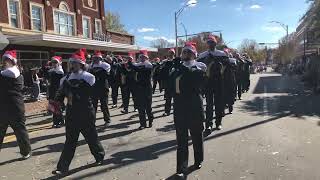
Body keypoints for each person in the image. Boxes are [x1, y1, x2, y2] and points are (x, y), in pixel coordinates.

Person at [52, 49, 105, 175]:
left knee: (91, 138)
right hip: (71, 114)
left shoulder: (89, 77)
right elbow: (60, 96)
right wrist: (55, 105)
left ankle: (99, 156)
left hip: (86, 112)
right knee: (70, 141)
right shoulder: (65, 79)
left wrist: (73, 87)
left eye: (75, 63)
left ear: (81, 64)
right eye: (72, 63)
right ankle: (62, 167)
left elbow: (89, 93)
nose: (73, 65)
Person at [169, 42, 206, 178]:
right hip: (180, 108)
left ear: (194, 54)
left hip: (195, 107)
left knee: (196, 137)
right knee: (181, 140)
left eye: (189, 52)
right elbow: (170, 86)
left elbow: (196, 81)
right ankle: (181, 168)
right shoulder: (176, 69)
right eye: (184, 52)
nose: (186, 54)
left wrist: (181, 69)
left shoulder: (199, 67)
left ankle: (198, 160)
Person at [0, 50, 32, 160]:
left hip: (15, 109)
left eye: (7, 60)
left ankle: (25, 152)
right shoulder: (5, 75)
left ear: (12, 62)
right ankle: (26, 151)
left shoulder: (15, 75)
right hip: (4, 109)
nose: (4, 62)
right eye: (3, 60)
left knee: (20, 132)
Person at [198, 35, 228, 132]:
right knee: (209, 104)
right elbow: (198, 67)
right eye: (209, 42)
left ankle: (218, 123)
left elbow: (226, 65)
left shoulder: (221, 54)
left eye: (212, 42)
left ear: (216, 43)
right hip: (208, 82)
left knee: (218, 104)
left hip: (219, 81)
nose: (210, 44)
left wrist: (217, 61)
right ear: (207, 44)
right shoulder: (203, 55)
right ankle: (208, 124)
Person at [129, 50, 154, 129]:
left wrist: (132, 65)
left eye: (144, 57)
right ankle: (142, 124)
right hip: (139, 88)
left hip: (147, 88)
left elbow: (141, 70)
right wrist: (130, 64)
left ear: (146, 58)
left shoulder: (149, 65)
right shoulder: (137, 65)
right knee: (140, 107)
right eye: (141, 57)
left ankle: (150, 120)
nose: (142, 58)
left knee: (148, 107)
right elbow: (131, 69)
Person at [89, 51, 111, 127]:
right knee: (93, 106)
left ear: (100, 58)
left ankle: (107, 120)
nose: (95, 59)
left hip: (103, 88)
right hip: (94, 88)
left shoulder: (105, 65)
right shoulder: (91, 66)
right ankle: (92, 121)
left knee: (104, 105)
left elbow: (107, 75)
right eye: (94, 58)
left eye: (97, 58)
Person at [48, 56, 65, 128]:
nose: (54, 64)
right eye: (52, 62)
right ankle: (55, 122)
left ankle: (60, 121)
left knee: (57, 107)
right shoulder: (51, 71)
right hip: (52, 90)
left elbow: (61, 83)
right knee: (53, 107)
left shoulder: (60, 72)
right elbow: (50, 83)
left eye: (55, 62)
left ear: (58, 63)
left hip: (58, 91)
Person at [160, 48, 176, 116]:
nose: (171, 54)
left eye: (172, 53)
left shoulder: (176, 61)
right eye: (170, 53)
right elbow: (161, 72)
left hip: (175, 83)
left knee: (176, 99)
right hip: (168, 83)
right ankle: (167, 111)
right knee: (168, 99)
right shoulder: (165, 62)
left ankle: (176, 111)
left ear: (174, 54)